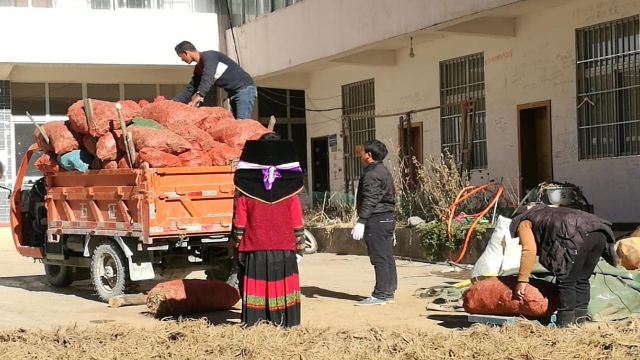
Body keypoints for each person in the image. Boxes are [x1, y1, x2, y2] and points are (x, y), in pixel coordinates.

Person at [233, 132, 306, 327]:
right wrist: (299, 245)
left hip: (254, 246)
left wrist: (238, 242)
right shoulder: (290, 190)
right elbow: (296, 219)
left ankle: (257, 321)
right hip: (283, 246)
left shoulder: (246, 190)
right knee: (281, 283)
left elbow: (240, 220)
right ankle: (284, 321)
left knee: (257, 283)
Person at [510, 203, 618, 327]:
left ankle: (564, 325)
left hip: (579, 235)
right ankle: (579, 323)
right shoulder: (548, 213)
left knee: (567, 280)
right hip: (600, 232)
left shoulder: (524, 222)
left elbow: (529, 250)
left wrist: (522, 280)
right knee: (582, 279)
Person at [351, 140, 397, 306]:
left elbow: (370, 199)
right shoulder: (383, 170)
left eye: (362, 151)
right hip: (386, 218)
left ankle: (379, 295)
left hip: (376, 219)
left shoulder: (372, 174)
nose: (360, 154)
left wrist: (361, 221)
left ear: (368, 155)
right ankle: (388, 292)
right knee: (387, 256)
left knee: (379, 258)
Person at [173, 41, 257, 119]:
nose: (182, 60)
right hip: (232, 92)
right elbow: (191, 88)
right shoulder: (198, 68)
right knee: (234, 123)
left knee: (242, 122)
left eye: (181, 57)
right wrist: (172, 103)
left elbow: (208, 76)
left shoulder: (210, 56)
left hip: (244, 89)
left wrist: (199, 95)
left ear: (185, 53)